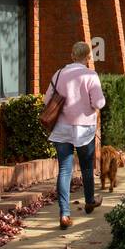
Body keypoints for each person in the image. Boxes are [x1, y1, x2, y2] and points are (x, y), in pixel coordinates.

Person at [46, 41, 106, 229]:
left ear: (72, 55)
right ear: (88, 58)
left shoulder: (58, 74)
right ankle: (89, 200)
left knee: (64, 170)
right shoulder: (91, 75)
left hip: (62, 128)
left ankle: (64, 214)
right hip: (84, 129)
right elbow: (98, 103)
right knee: (87, 168)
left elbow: (46, 99)